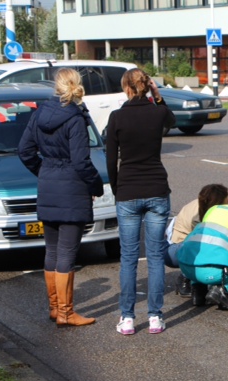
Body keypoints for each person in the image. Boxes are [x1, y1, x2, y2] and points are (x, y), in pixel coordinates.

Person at [18, 68, 104, 327]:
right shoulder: (76, 118)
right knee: (67, 252)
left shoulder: (40, 113)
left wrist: (44, 171)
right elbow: (81, 161)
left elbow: (25, 151)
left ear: (55, 86)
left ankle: (56, 308)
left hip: (48, 185)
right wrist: (96, 186)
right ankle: (67, 313)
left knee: (52, 251)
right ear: (77, 86)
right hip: (72, 189)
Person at [106, 68, 175, 335]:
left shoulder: (117, 117)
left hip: (128, 191)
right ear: (147, 87)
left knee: (129, 257)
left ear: (126, 88)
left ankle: (127, 318)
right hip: (157, 188)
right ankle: (156, 316)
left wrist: (117, 189)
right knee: (156, 255)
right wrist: (158, 96)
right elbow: (172, 120)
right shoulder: (157, 113)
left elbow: (111, 160)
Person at [164, 183, 228, 296]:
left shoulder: (208, 205)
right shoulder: (198, 217)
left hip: (190, 244)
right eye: (227, 201)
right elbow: (204, 244)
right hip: (178, 248)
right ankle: (186, 276)